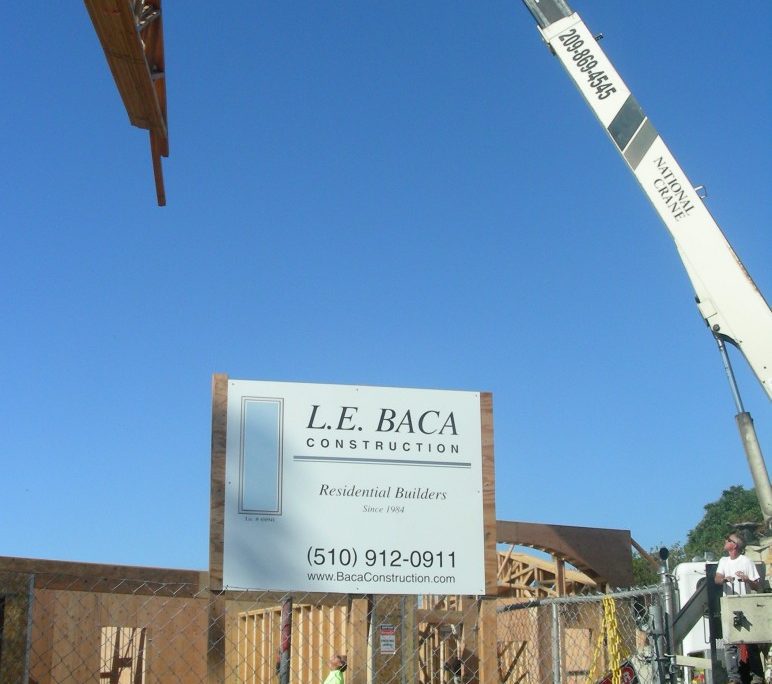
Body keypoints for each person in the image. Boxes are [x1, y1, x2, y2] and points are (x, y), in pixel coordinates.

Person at [714, 533, 763, 684]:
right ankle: (734, 678)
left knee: (750, 642)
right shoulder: (723, 561)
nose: (725, 541)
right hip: (729, 605)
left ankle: (757, 677)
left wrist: (746, 579)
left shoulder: (746, 561)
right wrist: (724, 579)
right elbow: (717, 579)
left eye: (728, 540)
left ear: (734, 545)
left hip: (745, 605)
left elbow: (757, 586)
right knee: (730, 643)